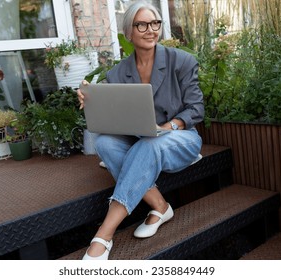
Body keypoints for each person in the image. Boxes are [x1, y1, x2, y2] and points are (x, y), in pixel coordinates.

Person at [77, 1, 204, 260]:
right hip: (143, 141)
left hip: (181, 138)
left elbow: (196, 109)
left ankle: (104, 233)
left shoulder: (182, 61)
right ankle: (160, 205)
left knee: (149, 143)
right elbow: (115, 117)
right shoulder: (117, 73)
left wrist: (166, 128)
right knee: (105, 144)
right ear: (129, 33)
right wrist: (90, 100)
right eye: (142, 24)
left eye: (155, 23)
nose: (151, 30)